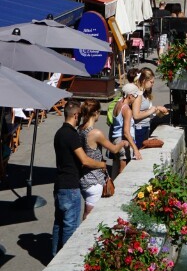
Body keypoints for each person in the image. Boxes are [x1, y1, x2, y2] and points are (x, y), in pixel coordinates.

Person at [52, 99, 108, 258]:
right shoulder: (71, 135)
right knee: (70, 226)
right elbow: (85, 160)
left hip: (59, 184)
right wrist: (102, 164)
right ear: (76, 115)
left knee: (58, 224)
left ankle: (54, 255)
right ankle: (66, 259)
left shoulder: (59, 133)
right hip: (70, 186)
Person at [77, 100, 126, 219]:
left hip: (83, 178)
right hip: (94, 179)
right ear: (96, 113)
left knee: (87, 212)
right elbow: (114, 149)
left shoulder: (80, 129)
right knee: (90, 216)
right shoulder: (95, 133)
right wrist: (123, 143)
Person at [110, 83, 142, 175]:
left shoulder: (118, 104)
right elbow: (126, 132)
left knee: (115, 168)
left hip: (115, 139)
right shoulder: (127, 110)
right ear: (130, 96)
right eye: (135, 96)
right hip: (122, 141)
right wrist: (135, 149)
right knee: (122, 171)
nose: (135, 99)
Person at [133, 68, 169, 148]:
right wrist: (152, 110)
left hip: (145, 127)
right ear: (144, 81)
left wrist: (157, 111)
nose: (152, 84)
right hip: (139, 129)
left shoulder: (145, 93)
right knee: (140, 150)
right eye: (151, 82)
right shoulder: (138, 94)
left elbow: (145, 111)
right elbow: (136, 115)